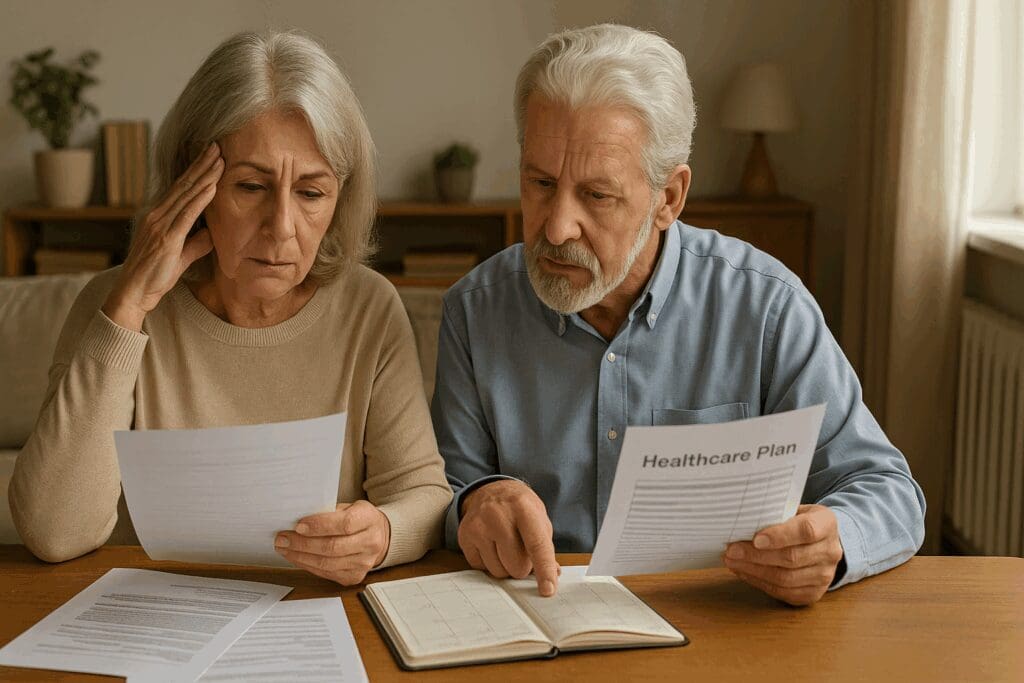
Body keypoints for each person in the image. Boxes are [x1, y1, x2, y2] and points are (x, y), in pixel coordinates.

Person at [433, 23, 925, 606]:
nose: (557, 227)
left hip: (720, 630)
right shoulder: (475, 311)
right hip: (534, 621)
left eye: (596, 195)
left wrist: (835, 542)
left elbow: (886, 489)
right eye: (541, 183)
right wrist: (473, 505)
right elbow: (442, 494)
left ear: (669, 198)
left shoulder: (766, 307)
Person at [10, 31, 452, 585]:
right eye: (250, 186)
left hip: (308, 614)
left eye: (311, 194)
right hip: (149, 622)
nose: (282, 228)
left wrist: (383, 533)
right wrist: (127, 310)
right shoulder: (111, 305)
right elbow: (54, 533)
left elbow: (423, 496)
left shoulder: (369, 306)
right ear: (189, 182)